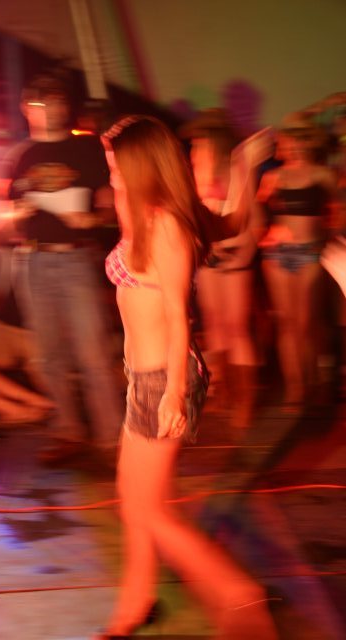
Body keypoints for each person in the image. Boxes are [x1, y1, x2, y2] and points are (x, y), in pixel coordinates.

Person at [93, 116, 278, 639]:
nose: (110, 174)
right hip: (142, 377)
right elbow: (233, 220)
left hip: (164, 380)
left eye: (116, 165)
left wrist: (173, 394)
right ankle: (136, 603)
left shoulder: (167, 226)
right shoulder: (139, 208)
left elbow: (179, 318)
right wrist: (244, 168)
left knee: (149, 510)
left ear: (140, 166)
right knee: (133, 500)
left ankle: (240, 598)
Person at [0, 72, 124, 462]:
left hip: (75, 256)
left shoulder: (87, 149)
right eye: (44, 102)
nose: (54, 108)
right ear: (27, 108)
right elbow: (1, 221)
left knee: (92, 350)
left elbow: (110, 207)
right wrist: (11, 220)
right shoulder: (19, 156)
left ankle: (112, 435)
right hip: (31, 259)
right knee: (48, 354)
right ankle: (68, 430)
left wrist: (92, 220)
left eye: (59, 101)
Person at [179, 108, 266, 429]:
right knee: (215, 325)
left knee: (236, 328)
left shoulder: (238, 167)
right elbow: (198, 215)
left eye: (200, 141)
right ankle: (224, 391)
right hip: (210, 255)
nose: (195, 147)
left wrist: (238, 252)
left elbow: (249, 216)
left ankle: (244, 399)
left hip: (235, 254)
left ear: (215, 140)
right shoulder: (198, 171)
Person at [256, 112, 338, 411]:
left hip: (309, 252)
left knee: (307, 323)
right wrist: (264, 233)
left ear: (306, 141)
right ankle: (296, 389)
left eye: (293, 139)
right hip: (278, 255)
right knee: (287, 324)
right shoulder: (273, 177)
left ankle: (315, 381)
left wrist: (326, 241)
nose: (288, 145)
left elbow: (338, 215)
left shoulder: (323, 175)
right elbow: (256, 213)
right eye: (285, 139)